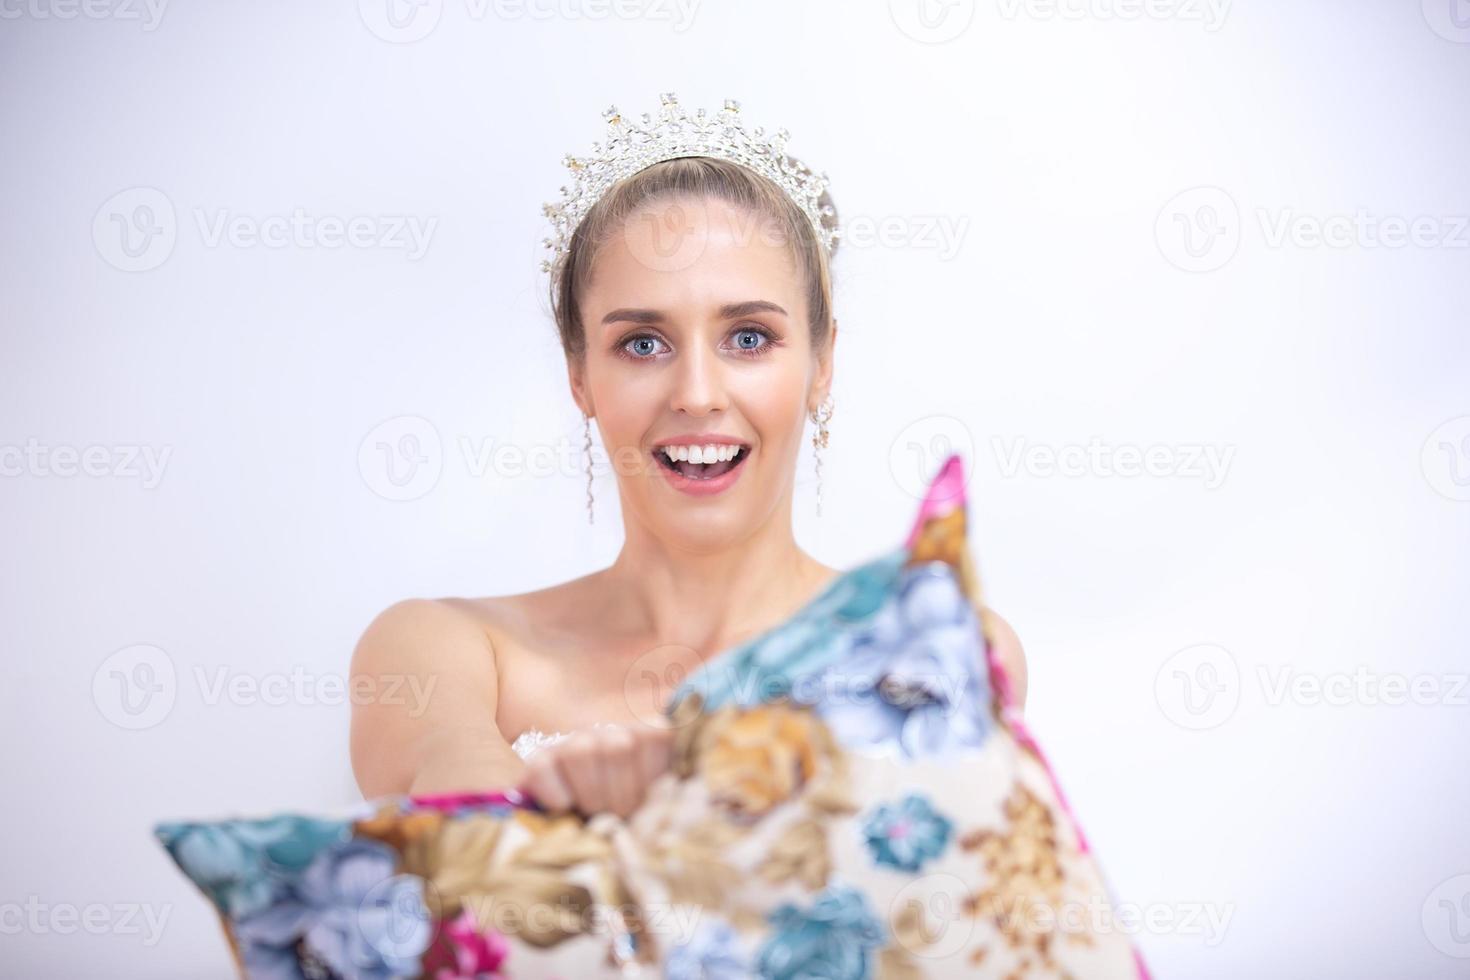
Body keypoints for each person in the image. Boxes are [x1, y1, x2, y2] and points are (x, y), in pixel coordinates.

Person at [349, 95, 1026, 819]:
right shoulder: (446, 650)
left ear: (822, 364)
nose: (697, 394)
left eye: (749, 338)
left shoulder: (939, 646)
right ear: (579, 375)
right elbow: (473, 847)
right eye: (643, 343)